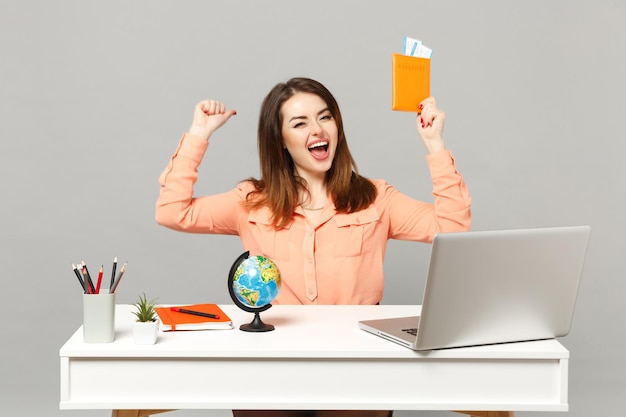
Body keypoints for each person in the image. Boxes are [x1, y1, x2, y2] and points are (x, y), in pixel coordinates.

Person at [155, 77, 472, 417]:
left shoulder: (376, 199)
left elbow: (452, 227)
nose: (317, 130)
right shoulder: (251, 202)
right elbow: (173, 212)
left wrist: (435, 145)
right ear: (281, 141)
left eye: (325, 117)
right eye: (300, 122)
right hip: (271, 361)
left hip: (357, 362)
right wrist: (198, 134)